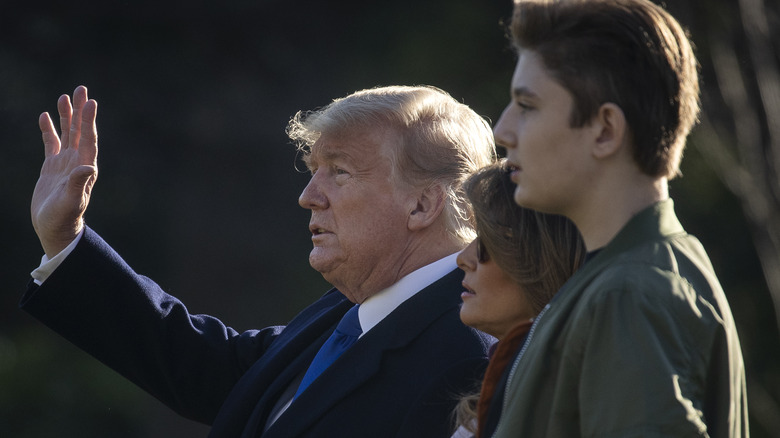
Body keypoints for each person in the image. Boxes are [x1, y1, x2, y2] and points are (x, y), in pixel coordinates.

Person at [20, 84, 497, 437]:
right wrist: (66, 239)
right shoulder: (348, 310)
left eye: (340, 171)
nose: (309, 196)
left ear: (423, 205)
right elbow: (210, 368)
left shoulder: (469, 357)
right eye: (314, 171)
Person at [487, 0, 749, 437]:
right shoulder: (654, 266)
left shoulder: (628, 293)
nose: (502, 130)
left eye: (527, 105)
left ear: (605, 129)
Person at [449, 160, 585, 438]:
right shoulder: (511, 380)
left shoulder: (572, 400)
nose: (463, 259)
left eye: (491, 242)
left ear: (542, 259)